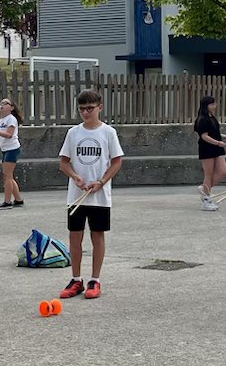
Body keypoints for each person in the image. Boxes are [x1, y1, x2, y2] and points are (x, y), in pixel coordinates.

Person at [58, 89, 124, 300]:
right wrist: (75, 177)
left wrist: (101, 182)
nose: (86, 113)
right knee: (75, 236)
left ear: (99, 108)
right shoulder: (73, 133)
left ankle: (95, 280)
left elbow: (117, 161)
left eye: (90, 108)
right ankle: (76, 279)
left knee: (97, 235)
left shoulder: (108, 132)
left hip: (99, 196)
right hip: (76, 195)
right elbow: (63, 162)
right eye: (82, 109)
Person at [194, 96, 226, 211]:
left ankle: (204, 189)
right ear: (206, 106)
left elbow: (214, 133)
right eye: (212, 104)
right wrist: (218, 142)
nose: (214, 106)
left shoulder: (212, 117)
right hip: (207, 148)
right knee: (208, 174)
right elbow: (204, 136)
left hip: (217, 148)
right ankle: (206, 200)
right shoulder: (202, 119)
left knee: (223, 171)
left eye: (214, 104)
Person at [0, 98, 25, 210]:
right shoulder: (1, 120)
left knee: (7, 176)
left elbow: (9, 134)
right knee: (8, 175)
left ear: (11, 108)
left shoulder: (11, 119)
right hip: (5, 149)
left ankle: (7, 201)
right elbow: (3, 132)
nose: (2, 105)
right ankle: (18, 199)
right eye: (1, 103)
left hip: (12, 149)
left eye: (5, 103)